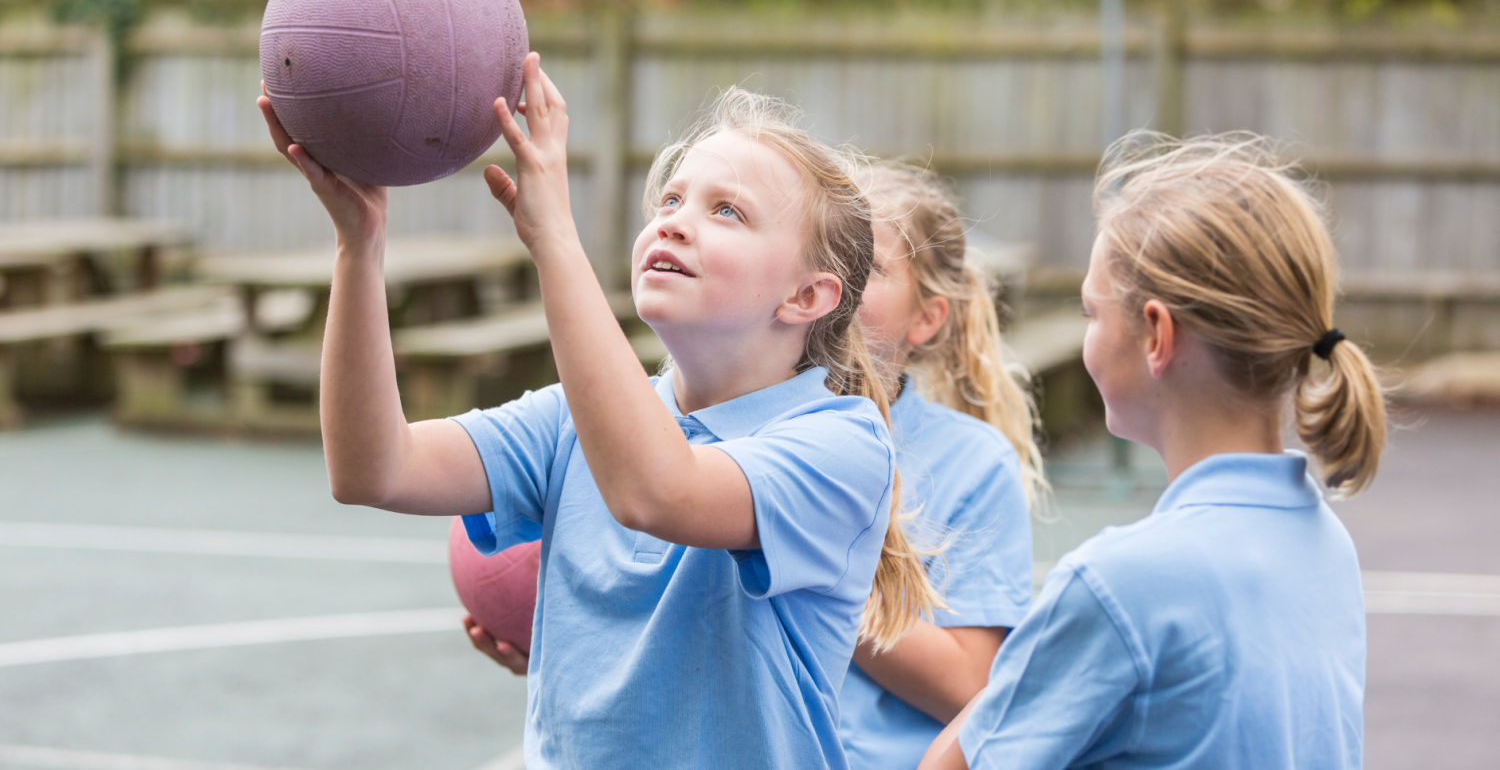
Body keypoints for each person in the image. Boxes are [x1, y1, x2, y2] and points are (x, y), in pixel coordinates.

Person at [257, 55, 940, 770]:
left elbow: (656, 491)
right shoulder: (571, 423)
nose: (675, 224)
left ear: (806, 297)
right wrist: (358, 248)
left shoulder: (840, 443)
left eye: (727, 211)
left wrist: (553, 235)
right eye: (670, 202)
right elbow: (374, 468)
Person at [920, 133, 1386, 770]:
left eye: (1092, 311)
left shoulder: (1119, 585)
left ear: (1158, 335)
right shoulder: (1327, 545)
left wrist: (1036, 664)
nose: (1088, 333)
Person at [838, 161, 1047, 770]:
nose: (834, 273)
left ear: (926, 318)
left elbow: (970, 681)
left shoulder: (973, 464)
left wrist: (810, 567)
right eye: (820, 249)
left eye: (867, 265)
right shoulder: (733, 428)